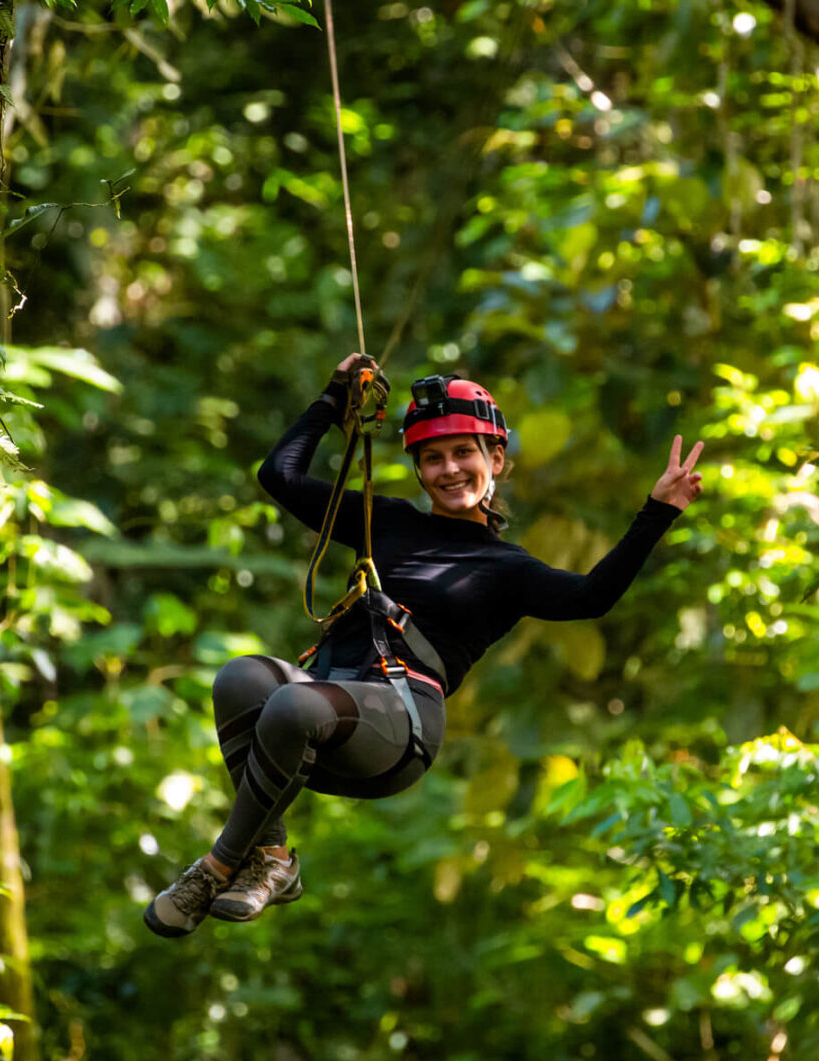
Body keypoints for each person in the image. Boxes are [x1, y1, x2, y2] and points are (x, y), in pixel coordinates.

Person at [143, 353, 705, 938]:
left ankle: (215, 868)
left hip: (398, 728)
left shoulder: (506, 568)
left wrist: (658, 512)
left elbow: (592, 596)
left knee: (291, 704)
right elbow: (278, 476)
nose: (449, 469)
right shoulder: (385, 522)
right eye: (432, 458)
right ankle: (273, 859)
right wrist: (333, 402)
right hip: (331, 706)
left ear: (496, 460)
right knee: (241, 677)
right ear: (417, 471)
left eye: (464, 453)